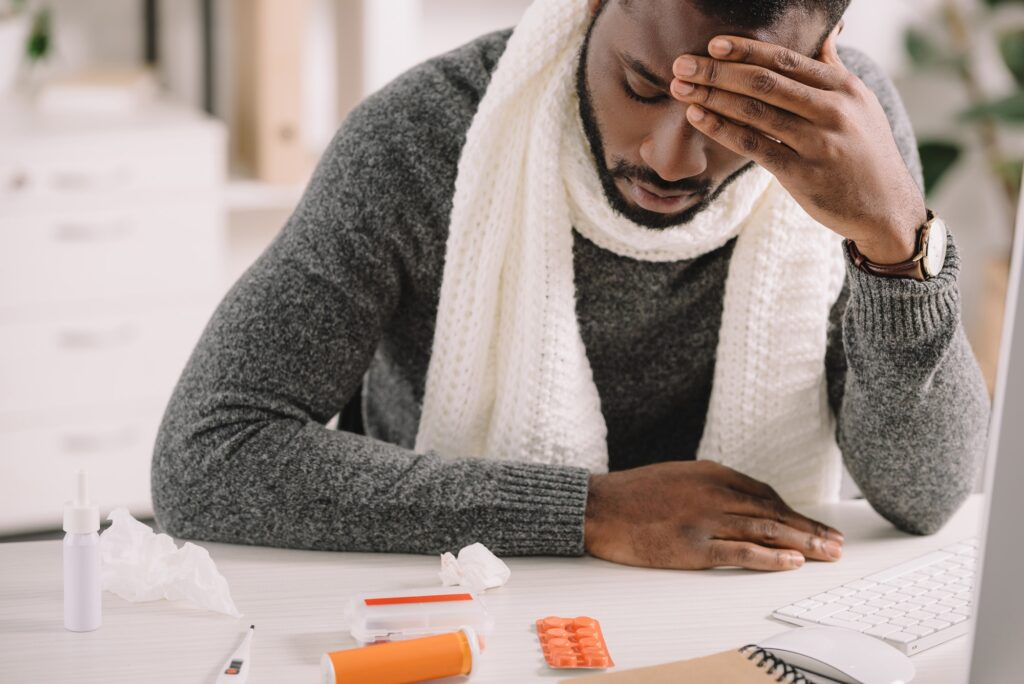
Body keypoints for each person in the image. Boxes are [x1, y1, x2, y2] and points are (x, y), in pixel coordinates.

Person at [152, 0, 989, 572]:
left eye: (738, 117)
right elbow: (207, 455)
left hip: (731, 617)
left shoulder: (848, 147)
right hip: (462, 608)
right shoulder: (422, 137)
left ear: (823, 57)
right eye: (642, 85)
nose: (673, 159)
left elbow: (928, 493)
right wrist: (585, 513)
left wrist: (893, 244)